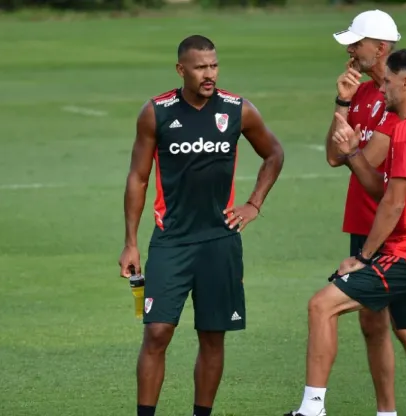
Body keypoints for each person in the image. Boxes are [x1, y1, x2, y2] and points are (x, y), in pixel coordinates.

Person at [119, 35, 285, 416]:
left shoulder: (238, 109)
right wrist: (131, 242)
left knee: (213, 337)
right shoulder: (155, 112)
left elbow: (274, 153)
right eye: (200, 67)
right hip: (171, 242)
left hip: (219, 242)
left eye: (213, 66)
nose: (209, 74)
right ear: (181, 70)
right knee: (157, 333)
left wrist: (254, 203)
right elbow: (138, 178)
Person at [285, 49, 406, 416]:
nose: (384, 91)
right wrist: (352, 154)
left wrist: (363, 258)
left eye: (389, 83)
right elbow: (381, 189)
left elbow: (391, 204)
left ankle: (311, 409)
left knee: (321, 306)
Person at [325, 9, 406, 416]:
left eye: (357, 43)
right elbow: (334, 157)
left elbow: (367, 162)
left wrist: (351, 150)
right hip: (361, 220)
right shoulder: (364, 93)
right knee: (371, 324)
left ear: (381, 48)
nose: (350, 50)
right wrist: (341, 102)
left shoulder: (399, 96)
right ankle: (387, 412)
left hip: (394, 227)